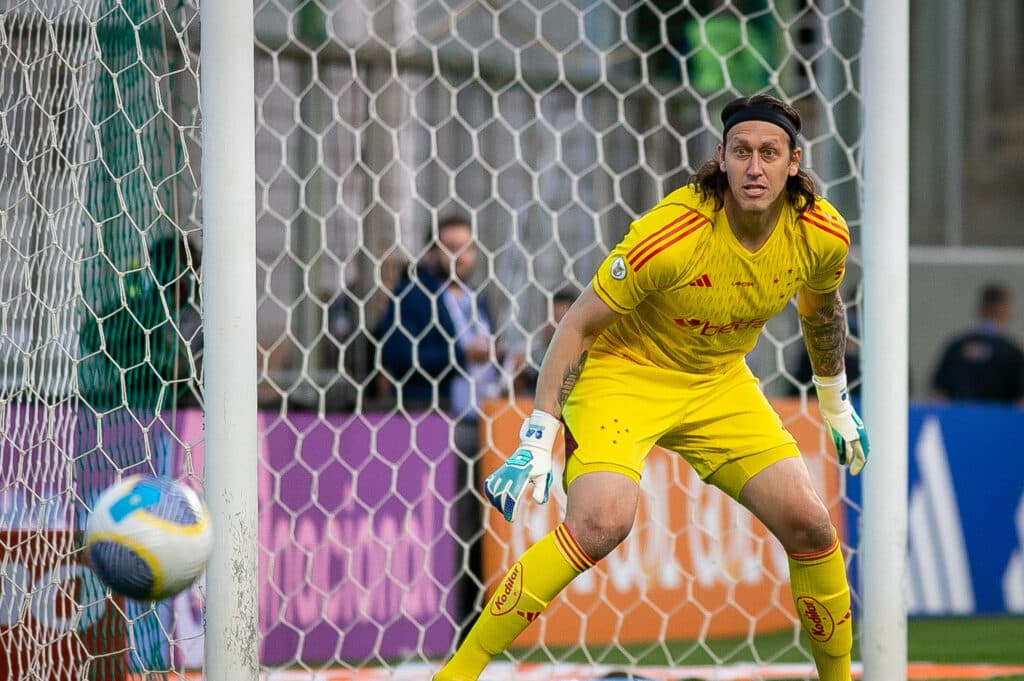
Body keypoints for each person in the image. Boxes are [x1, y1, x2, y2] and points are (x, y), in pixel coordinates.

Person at [434, 95, 870, 681]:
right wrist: (538, 437)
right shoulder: (672, 232)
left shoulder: (820, 234)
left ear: (794, 162)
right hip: (624, 372)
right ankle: (456, 674)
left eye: (770, 153)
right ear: (721, 157)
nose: (755, 167)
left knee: (811, 525)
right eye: (742, 152)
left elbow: (822, 313)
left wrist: (835, 403)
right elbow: (578, 324)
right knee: (601, 522)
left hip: (718, 381)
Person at [930, 283, 1024, 405]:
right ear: (1005, 312)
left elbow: (938, 394)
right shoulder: (1012, 352)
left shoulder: (956, 347)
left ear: (979, 309)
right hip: (999, 421)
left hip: (959, 420)